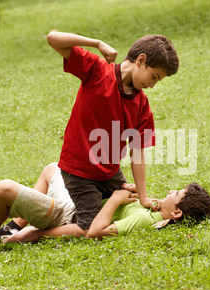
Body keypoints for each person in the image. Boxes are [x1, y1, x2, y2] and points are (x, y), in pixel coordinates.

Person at [46, 31, 179, 233]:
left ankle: (25, 220)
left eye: (157, 81)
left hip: (110, 173)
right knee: (89, 228)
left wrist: (143, 196)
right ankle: (32, 234)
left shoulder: (142, 105)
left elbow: (137, 151)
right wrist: (97, 43)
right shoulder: (97, 70)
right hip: (79, 171)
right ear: (141, 60)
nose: (152, 85)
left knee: (128, 204)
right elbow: (53, 38)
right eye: (154, 77)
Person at [0, 163, 210, 248]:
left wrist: (35, 235)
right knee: (54, 168)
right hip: (77, 202)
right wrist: (126, 192)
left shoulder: (144, 222)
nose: (171, 190)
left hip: (66, 215)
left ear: (177, 211)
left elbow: (92, 231)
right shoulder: (153, 211)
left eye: (176, 193)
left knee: (3, 189)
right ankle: (13, 224)